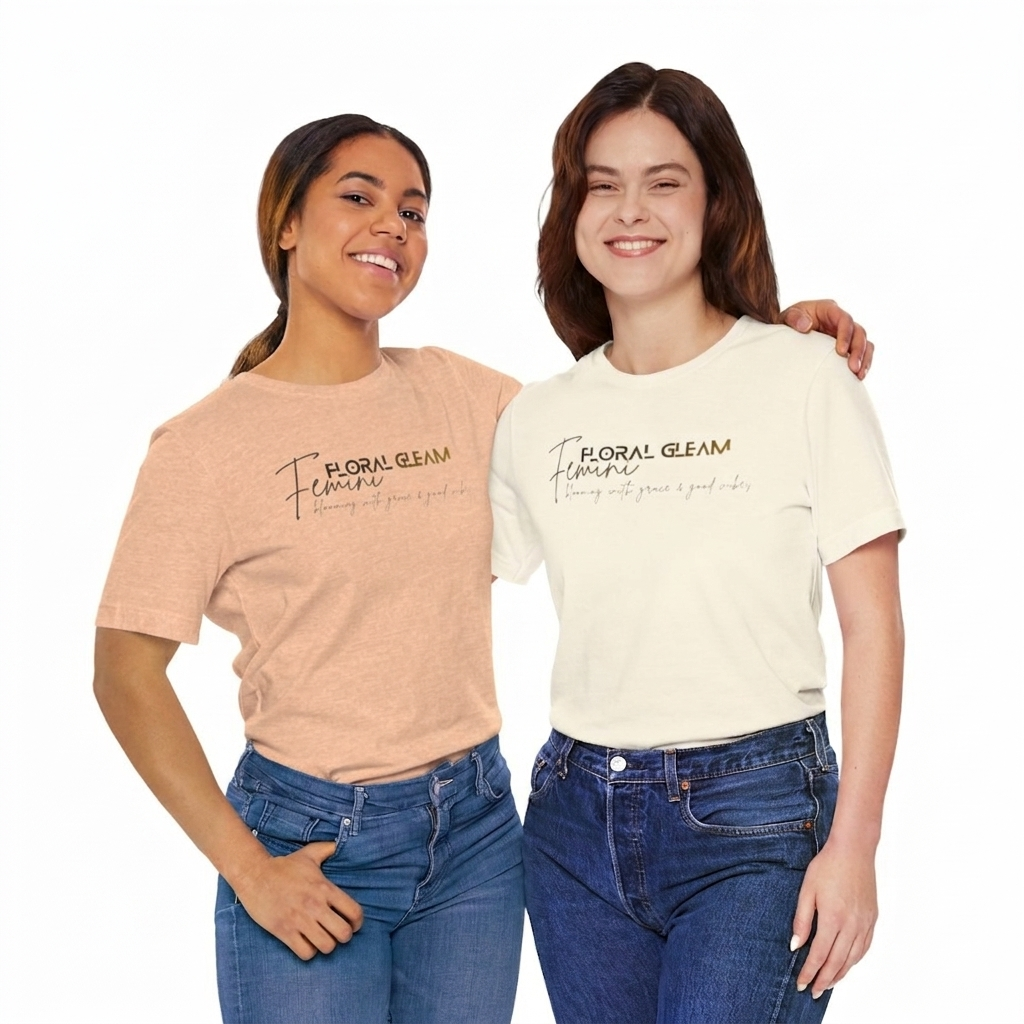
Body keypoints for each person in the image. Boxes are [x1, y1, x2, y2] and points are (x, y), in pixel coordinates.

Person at [92, 111, 872, 1024]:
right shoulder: (204, 447)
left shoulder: (469, 399)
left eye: (414, 211)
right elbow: (124, 671)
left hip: (474, 840)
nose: (393, 225)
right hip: (307, 841)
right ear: (286, 223)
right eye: (359, 197)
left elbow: (635, 409)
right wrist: (247, 868)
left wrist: (772, 341)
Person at [489, 63, 904, 1024]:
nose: (630, 209)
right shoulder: (537, 417)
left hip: (757, 819)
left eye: (665, 181)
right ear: (571, 209)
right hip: (571, 825)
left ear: (717, 202)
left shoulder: (807, 377)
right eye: (601, 183)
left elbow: (874, 628)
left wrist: (855, 848)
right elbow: (433, 577)